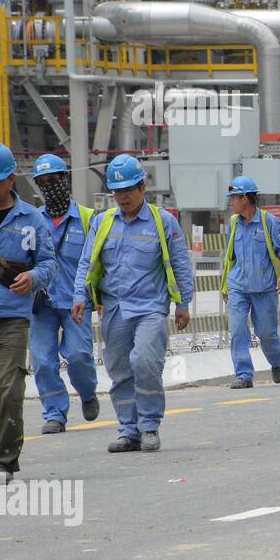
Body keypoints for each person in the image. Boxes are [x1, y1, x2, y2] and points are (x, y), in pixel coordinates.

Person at [73, 154, 194, 454]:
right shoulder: (102, 222)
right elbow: (87, 262)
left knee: (145, 362)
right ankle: (129, 430)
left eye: (128, 190)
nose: (123, 197)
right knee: (119, 370)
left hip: (150, 307)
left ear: (142, 187)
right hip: (114, 308)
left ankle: (149, 425)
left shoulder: (162, 222)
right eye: (117, 192)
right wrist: (80, 297)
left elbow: (180, 263)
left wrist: (183, 303)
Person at [0, 143, 56, 484]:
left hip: (11, 317)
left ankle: (1, 461)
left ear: (11, 178)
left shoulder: (32, 219)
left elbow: (49, 263)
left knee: (7, 389)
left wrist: (33, 278)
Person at [28, 154, 99, 434]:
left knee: (79, 355)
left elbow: (98, 263)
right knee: (43, 361)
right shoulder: (33, 220)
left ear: (64, 180)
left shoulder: (88, 219)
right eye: (43, 182)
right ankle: (54, 413)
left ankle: (87, 392)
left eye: (54, 180)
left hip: (76, 302)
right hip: (41, 303)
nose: (49, 187)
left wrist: (101, 297)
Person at [220, 176, 280, 389]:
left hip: (264, 288)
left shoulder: (269, 222)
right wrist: (225, 285)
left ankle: (276, 361)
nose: (231, 202)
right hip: (238, 287)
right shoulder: (234, 223)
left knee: (266, 334)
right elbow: (230, 257)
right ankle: (243, 374)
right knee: (237, 330)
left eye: (233, 197)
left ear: (245, 198)